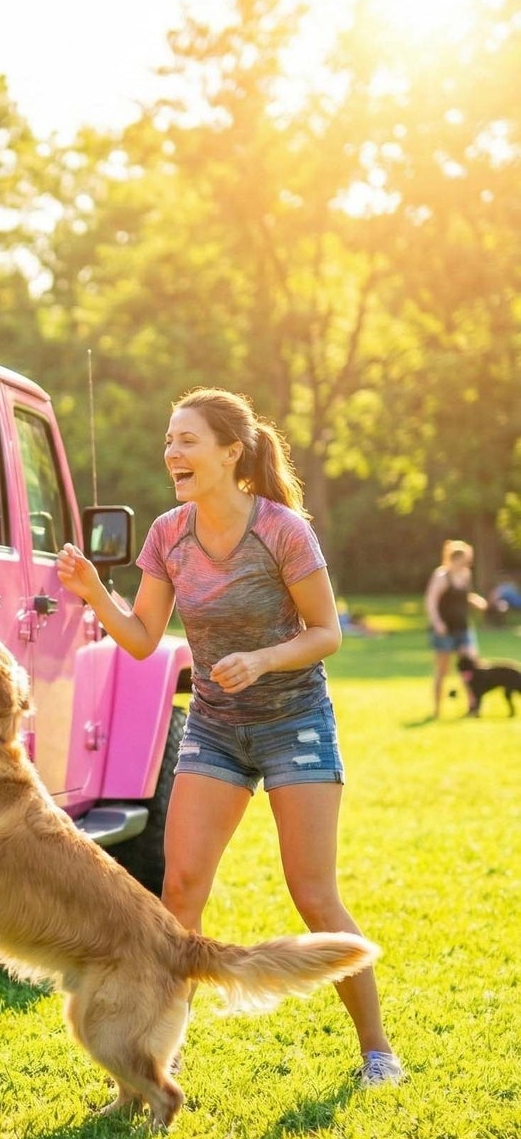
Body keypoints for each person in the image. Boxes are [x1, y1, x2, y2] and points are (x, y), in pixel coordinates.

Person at [56, 387, 402, 1088]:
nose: (171, 452)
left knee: (312, 893)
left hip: (293, 721)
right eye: (167, 439)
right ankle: (157, 1057)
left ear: (228, 452)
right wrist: (97, 593)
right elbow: (142, 639)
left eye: (186, 439)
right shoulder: (167, 534)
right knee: (178, 893)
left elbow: (326, 633)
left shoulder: (280, 530)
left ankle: (376, 1051)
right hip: (215, 727)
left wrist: (263, 659)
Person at [424, 541, 487, 718]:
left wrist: (476, 601)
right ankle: (437, 710)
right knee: (442, 670)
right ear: (455, 558)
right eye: (466, 558)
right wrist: (437, 623)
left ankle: (473, 706)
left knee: (471, 667)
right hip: (445, 629)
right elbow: (431, 600)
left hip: (463, 628)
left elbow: (465, 595)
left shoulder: (465, 575)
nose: (468, 562)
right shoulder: (442, 576)